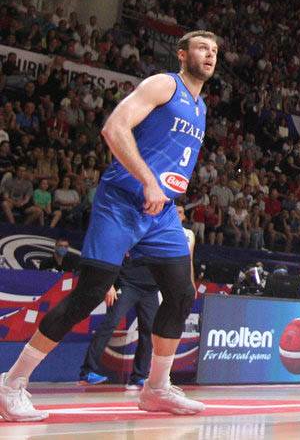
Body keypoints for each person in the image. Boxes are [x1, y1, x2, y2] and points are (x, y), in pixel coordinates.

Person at [0, 31, 217, 421]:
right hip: (123, 200)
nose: (210, 54)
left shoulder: (201, 107)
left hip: (162, 212)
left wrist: (162, 188)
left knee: (182, 293)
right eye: (202, 47)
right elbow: (114, 128)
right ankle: (11, 384)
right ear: (183, 54)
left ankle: (155, 389)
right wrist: (148, 180)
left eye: (215, 50)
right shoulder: (164, 84)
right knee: (90, 293)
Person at [80, 223, 194, 391]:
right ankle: (87, 371)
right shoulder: (134, 230)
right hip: (128, 285)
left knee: (150, 332)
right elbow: (114, 254)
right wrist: (109, 284)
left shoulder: (166, 237)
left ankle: (138, 376)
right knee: (109, 324)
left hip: (150, 290)